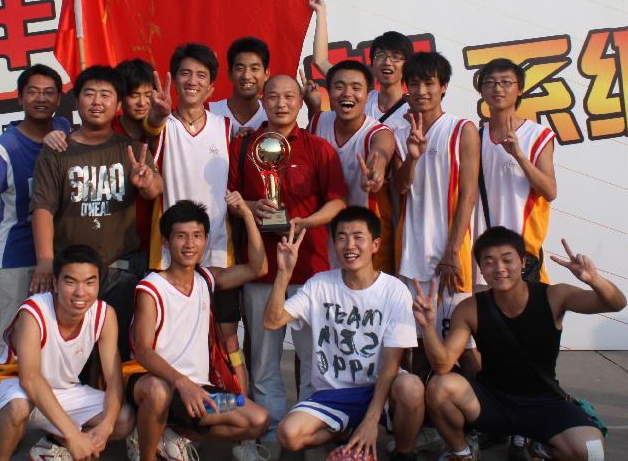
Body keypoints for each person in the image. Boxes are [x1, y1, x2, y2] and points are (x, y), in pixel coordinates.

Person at [421, 227, 625, 461]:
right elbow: (443, 364)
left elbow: (616, 304)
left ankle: (539, 447)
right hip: (493, 401)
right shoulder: (470, 309)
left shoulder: (554, 296)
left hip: (544, 402)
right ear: (481, 269)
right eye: (489, 262)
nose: (499, 268)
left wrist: (594, 280)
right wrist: (427, 326)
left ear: (523, 262)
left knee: (592, 451)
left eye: (507, 260)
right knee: (439, 386)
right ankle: (461, 452)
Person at [228, 74, 349, 448]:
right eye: (274, 97)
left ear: (300, 102)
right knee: (264, 361)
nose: (281, 103)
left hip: (310, 269)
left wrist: (305, 222)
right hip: (261, 270)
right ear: (262, 100)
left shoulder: (318, 147)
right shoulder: (242, 146)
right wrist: (251, 207)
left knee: (314, 360)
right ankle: (270, 437)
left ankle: (307, 431)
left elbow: (338, 202)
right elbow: (228, 199)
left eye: (289, 97)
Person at [263, 207, 425, 461]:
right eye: (342, 237)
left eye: (358, 237)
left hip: (379, 388)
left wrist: (371, 420)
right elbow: (272, 322)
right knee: (288, 434)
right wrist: (283, 274)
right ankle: (345, 430)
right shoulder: (320, 284)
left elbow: (392, 362)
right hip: (333, 393)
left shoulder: (394, 290)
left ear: (375, 245)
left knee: (411, 387)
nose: (349, 245)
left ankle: (404, 454)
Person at [30, 65, 163, 363]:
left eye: (106, 95)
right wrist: (45, 260)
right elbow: (42, 208)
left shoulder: (132, 149)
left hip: (120, 269)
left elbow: (156, 188)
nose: (97, 102)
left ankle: (114, 396)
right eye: (89, 94)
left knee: (117, 354)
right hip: (72, 273)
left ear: (118, 104)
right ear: (77, 101)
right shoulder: (57, 150)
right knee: (69, 354)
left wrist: (146, 182)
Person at [127, 197, 270, 461]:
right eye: (181, 236)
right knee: (159, 393)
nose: (190, 244)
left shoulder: (206, 278)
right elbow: (144, 352)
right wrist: (182, 383)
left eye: (197, 235)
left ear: (206, 239)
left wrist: (248, 215)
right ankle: (146, 452)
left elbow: (258, 267)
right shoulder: (152, 287)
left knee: (257, 420)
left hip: (198, 389)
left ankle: (172, 434)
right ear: (166, 241)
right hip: (152, 381)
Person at [144, 43, 249, 397]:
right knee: (169, 338)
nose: (192, 81)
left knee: (228, 337)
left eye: (201, 75)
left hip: (218, 250)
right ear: (174, 80)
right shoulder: (162, 124)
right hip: (170, 253)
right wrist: (157, 115)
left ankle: (240, 407)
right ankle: (173, 411)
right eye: (185, 74)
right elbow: (151, 128)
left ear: (211, 87)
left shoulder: (225, 127)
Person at [0, 244, 135, 461]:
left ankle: (52, 446)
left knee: (124, 418)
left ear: (99, 283)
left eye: (89, 282)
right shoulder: (34, 312)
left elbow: (114, 379)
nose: (81, 292)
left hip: (62, 390)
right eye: (70, 282)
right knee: (17, 407)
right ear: (55, 283)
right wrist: (73, 435)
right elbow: (30, 379)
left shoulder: (104, 314)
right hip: (12, 386)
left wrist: (106, 426)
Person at [0, 64, 70, 354]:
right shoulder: (5, 148)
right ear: (20, 98)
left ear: (59, 99)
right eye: (33, 92)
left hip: (60, 256)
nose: (41, 98)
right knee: (12, 339)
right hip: (18, 258)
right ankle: (4, 385)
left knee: (54, 337)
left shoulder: (64, 128)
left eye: (49, 92)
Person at [392, 52, 480, 375]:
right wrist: (412, 157)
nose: (421, 91)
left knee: (464, 346)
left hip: (451, 255)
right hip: (411, 254)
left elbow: (468, 195)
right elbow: (399, 187)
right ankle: (423, 402)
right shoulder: (397, 133)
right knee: (417, 343)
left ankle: (483, 402)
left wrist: (452, 251)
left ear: (443, 87)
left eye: (429, 83)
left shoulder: (462, 129)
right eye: (414, 84)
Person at [307, 59, 397, 273]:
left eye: (356, 88)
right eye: (339, 86)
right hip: (325, 237)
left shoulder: (378, 132)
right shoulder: (317, 122)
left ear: (368, 95)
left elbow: (381, 150)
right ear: (328, 91)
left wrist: (376, 171)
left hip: (364, 239)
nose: (347, 93)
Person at [474, 58, 557, 284]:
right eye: (490, 82)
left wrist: (519, 155)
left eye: (506, 82)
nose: (497, 88)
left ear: (520, 89)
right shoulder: (474, 137)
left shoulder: (538, 135)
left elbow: (550, 191)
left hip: (523, 255)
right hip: (483, 255)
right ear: (481, 90)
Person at [308, 0, 414, 132]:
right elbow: (320, 61)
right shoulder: (362, 97)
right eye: (380, 55)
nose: (387, 62)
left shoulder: (413, 111)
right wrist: (320, 12)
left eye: (395, 56)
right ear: (372, 64)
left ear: (407, 65)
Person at [115, 58, 158, 252]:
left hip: (161, 241)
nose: (142, 102)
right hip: (119, 246)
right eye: (134, 95)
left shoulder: (169, 129)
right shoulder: (105, 131)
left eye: (148, 95)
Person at [211, 37, 270, 138]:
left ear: (266, 74)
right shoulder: (209, 112)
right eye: (240, 68)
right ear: (230, 73)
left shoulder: (272, 117)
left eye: (254, 69)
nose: (246, 76)